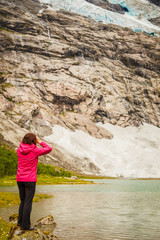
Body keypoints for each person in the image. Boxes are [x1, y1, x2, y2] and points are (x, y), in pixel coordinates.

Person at [16, 133, 52, 230]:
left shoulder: (19, 149)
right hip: (30, 180)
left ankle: (20, 222)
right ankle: (25, 226)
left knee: (23, 201)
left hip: (19, 179)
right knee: (28, 202)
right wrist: (40, 142)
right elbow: (49, 149)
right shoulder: (35, 150)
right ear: (33, 140)